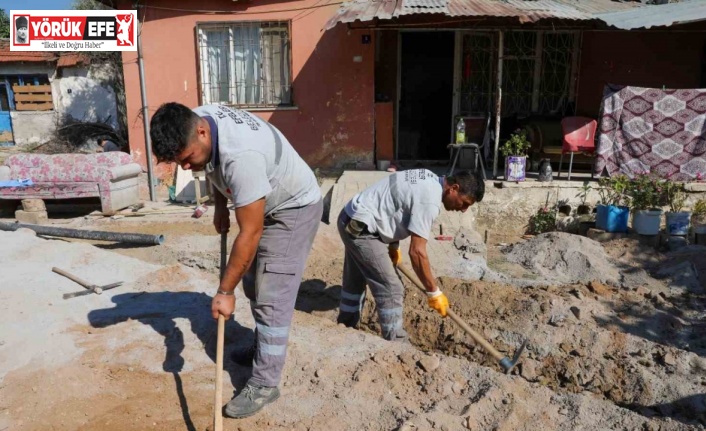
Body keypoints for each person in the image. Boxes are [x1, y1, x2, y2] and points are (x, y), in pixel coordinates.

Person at [149, 103, 322, 419]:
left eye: (187, 158)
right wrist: (220, 204)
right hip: (262, 196)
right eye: (179, 162)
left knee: (272, 295)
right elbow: (214, 166)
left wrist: (224, 292)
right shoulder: (198, 119)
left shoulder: (242, 157)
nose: (186, 168)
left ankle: (266, 382)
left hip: (293, 207)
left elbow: (251, 232)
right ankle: (263, 347)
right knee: (253, 283)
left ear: (201, 131)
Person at [337, 169, 484, 340]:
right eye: (465, 202)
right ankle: (395, 346)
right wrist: (433, 292)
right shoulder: (429, 201)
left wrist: (393, 244)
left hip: (351, 218)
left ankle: (345, 329)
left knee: (355, 280)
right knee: (392, 288)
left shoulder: (429, 177)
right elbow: (417, 252)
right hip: (362, 230)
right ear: (454, 188)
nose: (464, 209)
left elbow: (395, 203)